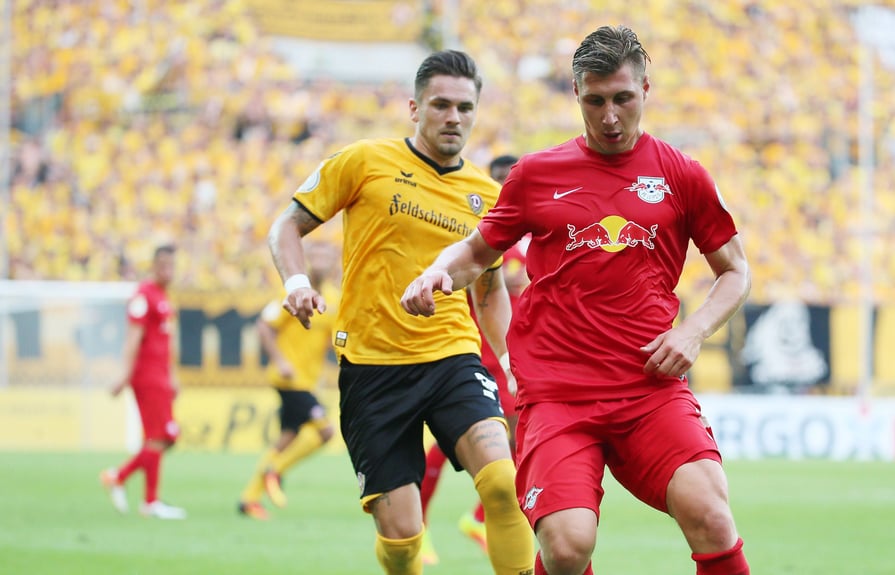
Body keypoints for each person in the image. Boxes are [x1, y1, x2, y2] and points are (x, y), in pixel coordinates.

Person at [402, 25, 751, 575]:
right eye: (595, 101)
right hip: (560, 393)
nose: (610, 116)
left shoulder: (682, 175)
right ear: (576, 95)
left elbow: (734, 271)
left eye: (622, 99)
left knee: (711, 514)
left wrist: (693, 330)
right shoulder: (536, 174)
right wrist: (436, 273)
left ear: (645, 90)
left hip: (649, 389)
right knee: (566, 547)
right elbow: (475, 251)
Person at [266, 50, 534, 575]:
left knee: (504, 482)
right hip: (373, 370)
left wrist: (509, 361)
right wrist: (296, 282)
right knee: (404, 538)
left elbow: (490, 289)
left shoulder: (487, 194)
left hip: (452, 358)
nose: (453, 117)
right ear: (415, 108)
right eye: (440, 105)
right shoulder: (363, 161)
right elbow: (286, 227)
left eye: (464, 106)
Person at [419, 154, 527, 564]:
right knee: (460, 438)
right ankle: (423, 525)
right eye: (497, 180)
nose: (503, 188)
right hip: (478, 350)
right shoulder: (479, 231)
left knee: (517, 437)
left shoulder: (532, 237)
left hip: (515, 353)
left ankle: (480, 517)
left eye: (509, 180)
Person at [238, 241, 339, 520]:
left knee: (286, 438)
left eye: (326, 254)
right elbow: (264, 325)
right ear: (307, 259)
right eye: (316, 252)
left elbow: (334, 341)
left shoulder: (333, 300)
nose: (320, 259)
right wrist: (280, 361)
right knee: (325, 431)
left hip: (307, 381)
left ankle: (249, 498)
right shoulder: (293, 291)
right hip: (288, 379)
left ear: (334, 263)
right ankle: (276, 470)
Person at [100, 244, 187, 520]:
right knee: (160, 437)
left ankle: (122, 479)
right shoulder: (143, 296)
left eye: (172, 266)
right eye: (163, 265)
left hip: (160, 376)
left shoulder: (163, 296)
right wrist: (124, 375)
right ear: (153, 266)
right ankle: (146, 499)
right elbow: (133, 338)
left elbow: (167, 343)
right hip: (146, 376)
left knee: (165, 437)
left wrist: (172, 376)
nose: (168, 271)